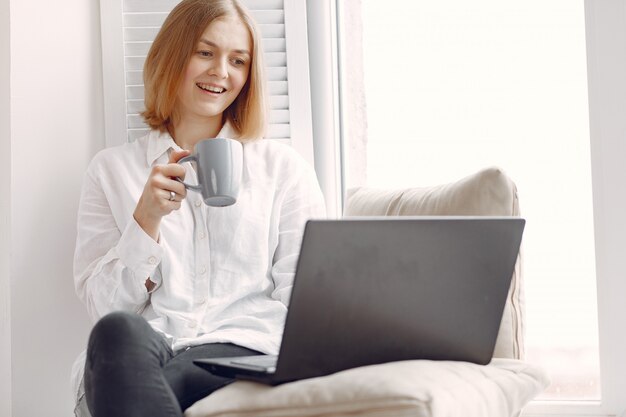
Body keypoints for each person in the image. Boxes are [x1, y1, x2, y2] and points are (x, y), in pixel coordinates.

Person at [70, 0, 326, 415]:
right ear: (172, 55)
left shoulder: (283, 170)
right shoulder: (111, 170)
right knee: (118, 332)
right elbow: (104, 310)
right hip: (153, 351)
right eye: (205, 53)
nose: (220, 72)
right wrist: (146, 221)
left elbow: (309, 295)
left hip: (245, 350)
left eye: (238, 60)